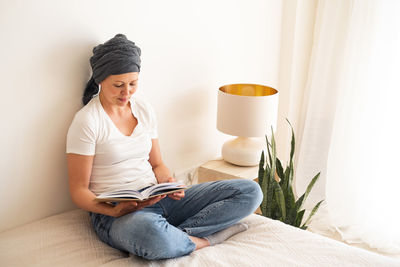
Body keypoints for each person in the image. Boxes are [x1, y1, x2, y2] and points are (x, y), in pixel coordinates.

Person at [66, 34, 263, 260]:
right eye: (118, 85)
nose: (127, 92)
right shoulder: (87, 121)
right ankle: (200, 240)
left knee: (250, 192)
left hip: (156, 197)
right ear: (101, 80)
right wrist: (113, 210)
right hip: (118, 213)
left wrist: (168, 183)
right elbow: (78, 190)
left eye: (133, 84)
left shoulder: (143, 109)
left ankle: (174, 237)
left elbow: (157, 164)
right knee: (148, 233)